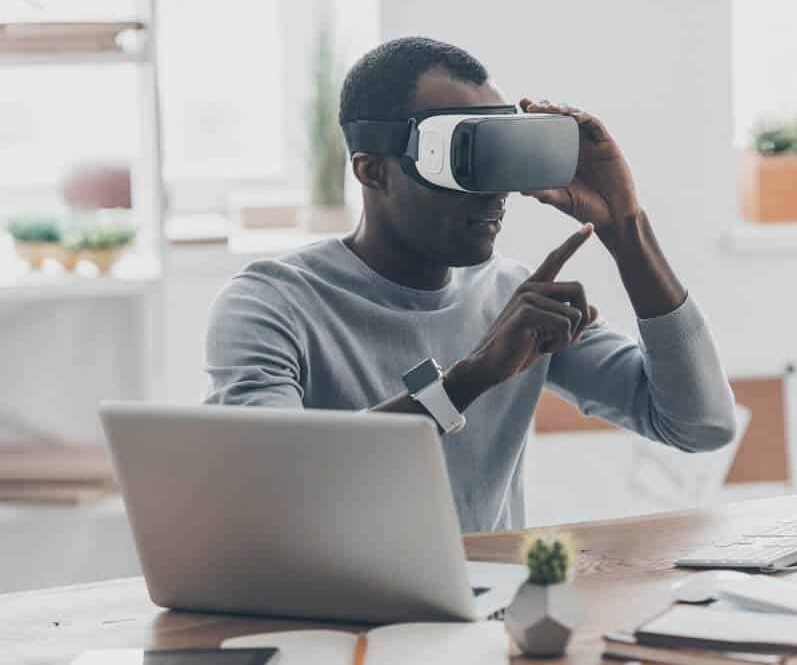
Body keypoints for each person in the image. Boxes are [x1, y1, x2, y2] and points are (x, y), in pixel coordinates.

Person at [205, 36, 736, 532]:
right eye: (460, 157)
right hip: (335, 621)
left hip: (489, 617)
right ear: (372, 171)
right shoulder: (271, 304)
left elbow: (701, 425)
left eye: (498, 154)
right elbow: (271, 483)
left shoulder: (513, 297)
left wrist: (627, 230)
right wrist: (471, 376)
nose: (494, 192)